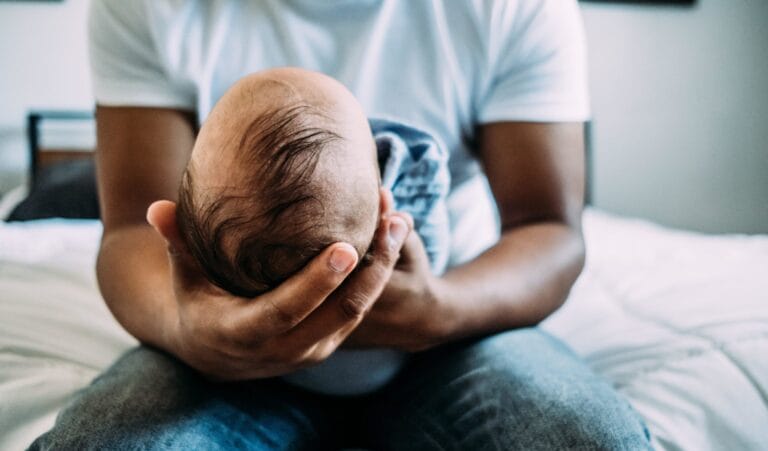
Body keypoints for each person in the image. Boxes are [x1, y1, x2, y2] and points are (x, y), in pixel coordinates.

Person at [31, 0, 653, 449]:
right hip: (229, 353)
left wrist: (437, 310)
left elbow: (550, 227)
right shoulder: (147, 8)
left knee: (591, 440)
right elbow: (133, 230)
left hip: (454, 333)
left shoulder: (513, 8)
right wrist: (195, 333)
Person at [174, 67, 451, 395]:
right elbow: (436, 248)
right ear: (383, 207)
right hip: (402, 367)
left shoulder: (224, 266)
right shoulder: (414, 187)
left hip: (262, 381)